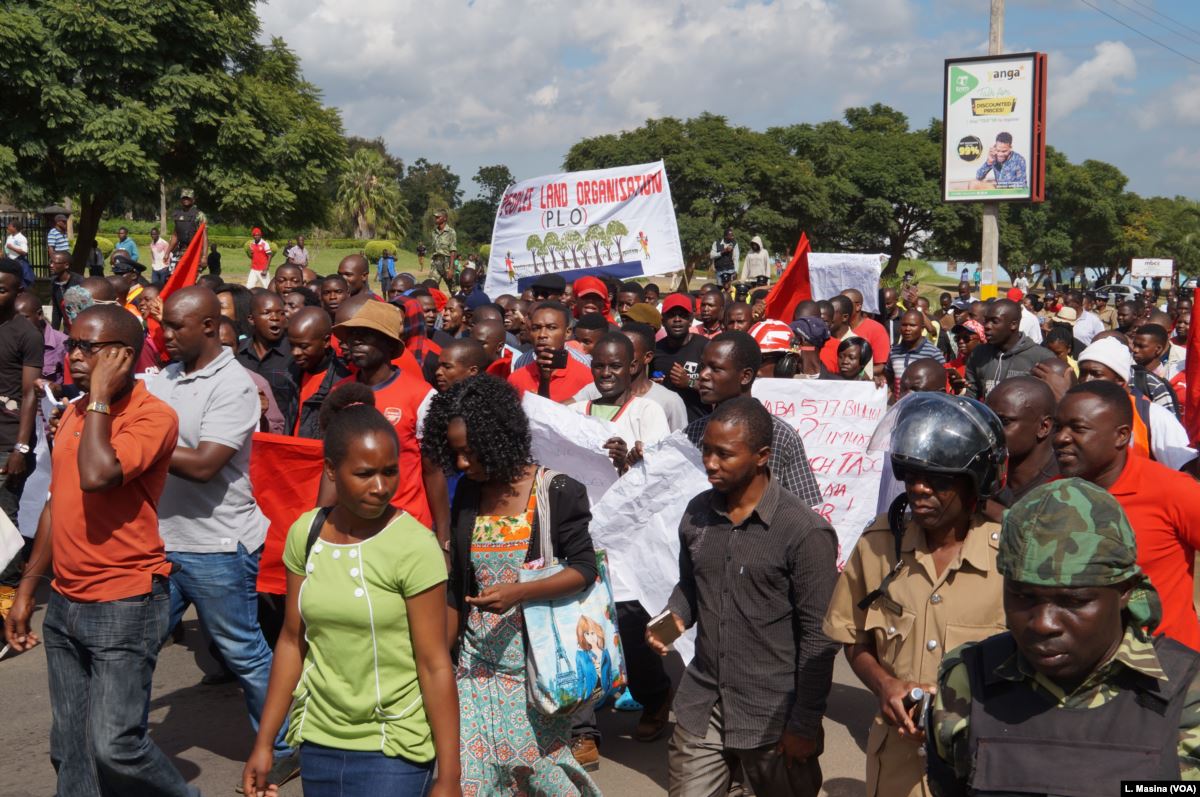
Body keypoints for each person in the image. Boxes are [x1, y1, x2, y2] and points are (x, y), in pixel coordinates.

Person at [3, 304, 199, 797]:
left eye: (89, 348)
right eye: (71, 344)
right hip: (66, 603)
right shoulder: (72, 412)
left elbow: (96, 476)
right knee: (70, 746)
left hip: (124, 604)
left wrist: (96, 401)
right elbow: (57, 501)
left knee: (117, 744)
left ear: (123, 356)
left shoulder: (154, 417)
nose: (74, 355)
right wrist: (27, 588)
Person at [242, 387, 458, 797]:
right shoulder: (304, 534)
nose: (380, 486)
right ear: (330, 471)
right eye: (364, 474)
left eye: (390, 471)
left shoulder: (414, 546)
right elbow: (292, 640)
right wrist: (265, 742)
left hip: (394, 748)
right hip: (319, 742)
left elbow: (435, 664)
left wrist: (450, 776)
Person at [928, 479, 1200, 795]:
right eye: (1023, 596)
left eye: (1072, 601)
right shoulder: (967, 681)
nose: (1043, 624)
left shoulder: (1187, 693)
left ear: (1124, 591)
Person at [421, 375, 601, 795]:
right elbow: (457, 584)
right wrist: (440, 660)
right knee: (470, 779)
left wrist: (519, 592)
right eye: (456, 453)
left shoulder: (557, 490)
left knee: (537, 775)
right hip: (474, 670)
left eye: (470, 451)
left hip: (533, 673)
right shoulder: (469, 491)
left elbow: (584, 569)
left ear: (499, 437)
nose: (462, 464)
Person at [823, 391, 1008, 797]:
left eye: (939, 479)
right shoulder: (878, 545)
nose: (920, 489)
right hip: (898, 768)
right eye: (910, 475)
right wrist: (884, 684)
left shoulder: (1010, 558)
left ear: (975, 481)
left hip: (984, 767)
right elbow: (854, 638)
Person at [651, 396, 838, 797]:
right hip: (704, 703)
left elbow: (819, 638)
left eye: (724, 454)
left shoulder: (805, 533)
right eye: (706, 451)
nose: (710, 463)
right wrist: (672, 619)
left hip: (773, 716)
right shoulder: (696, 513)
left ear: (761, 456)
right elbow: (691, 585)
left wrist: (803, 725)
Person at [147, 288, 295, 776]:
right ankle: (121, 744)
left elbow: (207, 464)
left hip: (217, 544)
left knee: (243, 651)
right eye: (163, 325)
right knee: (137, 647)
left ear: (209, 326)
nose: (164, 335)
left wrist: (138, 446)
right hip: (160, 541)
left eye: (175, 327)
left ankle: (286, 747)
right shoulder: (164, 378)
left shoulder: (233, 384)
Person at [565, 332, 672, 765]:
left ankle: (655, 695)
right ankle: (583, 729)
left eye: (615, 366)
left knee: (631, 631)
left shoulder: (647, 412)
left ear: (633, 366)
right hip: (581, 536)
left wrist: (631, 464)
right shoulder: (575, 411)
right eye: (599, 366)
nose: (606, 374)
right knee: (582, 631)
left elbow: (663, 478)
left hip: (631, 544)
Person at [1052, 381, 1200, 651]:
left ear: (1121, 435)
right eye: (1058, 426)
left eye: (1078, 428)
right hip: (1082, 672)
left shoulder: (1173, 490)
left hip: (1168, 672)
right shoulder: (1050, 496)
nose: (1061, 438)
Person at [329, 300, 445, 538]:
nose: (355, 342)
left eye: (366, 336)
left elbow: (433, 472)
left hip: (407, 527)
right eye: (353, 336)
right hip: (353, 529)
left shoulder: (422, 395)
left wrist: (444, 536)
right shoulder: (338, 394)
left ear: (390, 346)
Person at [685, 332, 823, 507]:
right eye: (703, 366)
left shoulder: (779, 436)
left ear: (745, 376)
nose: (703, 375)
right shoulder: (692, 432)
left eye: (715, 368)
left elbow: (805, 508)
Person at [0, 260, 44, 615]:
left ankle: (6, 608)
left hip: (8, 443)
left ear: (17, 294)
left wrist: (21, 447)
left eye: (2, 289)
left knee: (3, 531)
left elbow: (31, 394)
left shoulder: (25, 334)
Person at [983, 376, 1057, 513]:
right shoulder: (982, 473)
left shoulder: (1061, 489)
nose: (989, 430)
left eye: (1004, 421)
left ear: (1043, 427)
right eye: (987, 419)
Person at [963, 299, 1054, 400]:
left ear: (1013, 325)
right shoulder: (979, 353)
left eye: (994, 321)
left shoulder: (1041, 358)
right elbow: (971, 395)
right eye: (986, 321)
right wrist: (961, 391)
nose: (987, 326)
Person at [507, 301, 594, 402]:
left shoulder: (586, 378)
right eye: (536, 328)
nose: (542, 334)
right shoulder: (516, 379)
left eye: (551, 328)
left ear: (567, 332)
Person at [236, 290, 298, 429]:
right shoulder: (238, 354)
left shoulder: (294, 355)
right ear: (251, 319)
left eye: (280, 313)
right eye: (267, 313)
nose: (275, 318)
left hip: (282, 436)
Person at [289, 307, 351, 439]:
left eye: (303, 346)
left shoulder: (342, 381)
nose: (295, 353)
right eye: (291, 345)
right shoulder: (290, 372)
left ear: (326, 341)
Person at [217, 318, 285, 434]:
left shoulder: (255, 382)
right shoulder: (181, 377)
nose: (219, 351)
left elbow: (277, 431)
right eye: (214, 345)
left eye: (226, 346)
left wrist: (261, 417)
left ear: (237, 348)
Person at [653, 294, 709, 422]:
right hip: (665, 425)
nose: (677, 319)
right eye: (671, 315)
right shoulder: (656, 350)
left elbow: (718, 389)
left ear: (690, 320)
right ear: (663, 321)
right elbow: (651, 379)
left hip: (697, 425)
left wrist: (689, 382)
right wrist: (655, 383)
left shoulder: (706, 347)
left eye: (682, 315)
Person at [886, 310, 945, 399]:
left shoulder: (933, 353)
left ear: (922, 328)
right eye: (904, 325)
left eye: (912, 325)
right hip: (899, 407)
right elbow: (889, 378)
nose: (907, 329)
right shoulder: (894, 351)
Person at [841, 289, 892, 380]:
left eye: (846, 303)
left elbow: (882, 366)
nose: (841, 306)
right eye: (840, 302)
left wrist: (856, 373)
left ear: (858, 306)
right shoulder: (836, 329)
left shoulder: (876, 329)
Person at [166, 189, 205, 265]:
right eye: (184, 198)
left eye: (188, 198)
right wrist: (167, 252)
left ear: (193, 200)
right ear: (181, 200)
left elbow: (204, 237)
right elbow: (175, 235)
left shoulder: (199, 215)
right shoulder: (177, 214)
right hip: (181, 251)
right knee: (178, 274)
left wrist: (204, 256)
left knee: (192, 275)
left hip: (195, 251)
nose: (186, 200)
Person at [430, 209, 457, 292]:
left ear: (445, 218)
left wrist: (451, 268)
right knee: (431, 287)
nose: (436, 218)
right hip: (435, 263)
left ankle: (458, 303)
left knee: (453, 289)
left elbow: (453, 251)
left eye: (438, 217)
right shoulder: (434, 232)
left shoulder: (451, 232)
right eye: (435, 217)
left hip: (447, 263)